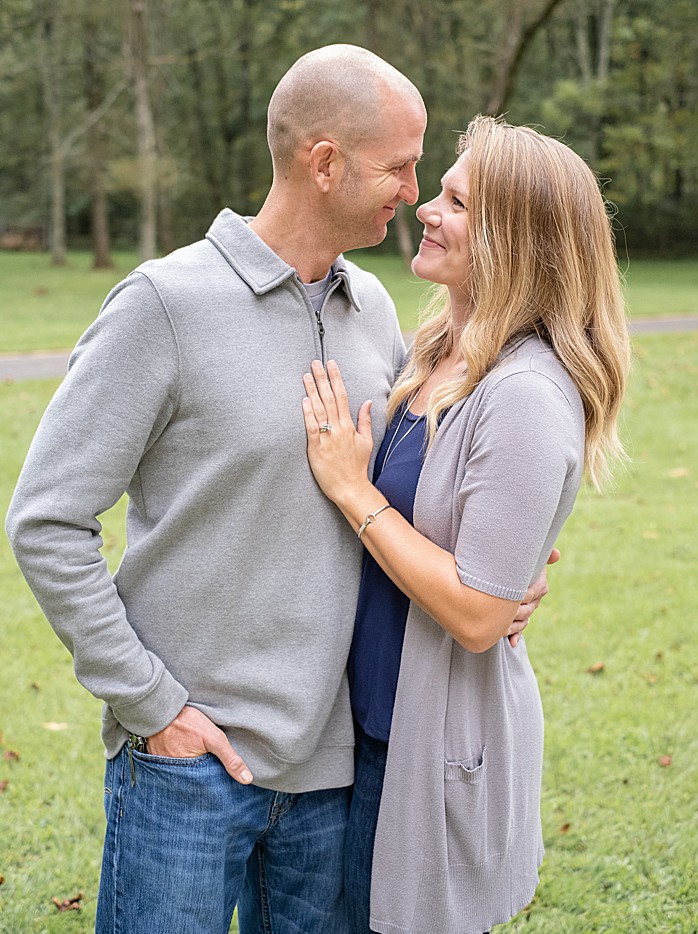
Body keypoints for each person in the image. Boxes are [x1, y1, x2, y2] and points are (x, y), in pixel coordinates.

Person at [4, 45, 545, 932]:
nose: (413, 190)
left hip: (335, 771)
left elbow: (417, 484)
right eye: (399, 166)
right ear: (323, 161)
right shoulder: (162, 306)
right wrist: (152, 706)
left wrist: (506, 569)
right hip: (189, 764)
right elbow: (47, 519)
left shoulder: (372, 308)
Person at [299, 115, 630, 933]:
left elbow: (480, 614)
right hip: (363, 731)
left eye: (455, 200)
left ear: (515, 239)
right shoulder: (440, 349)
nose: (425, 208)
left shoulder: (523, 392)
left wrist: (353, 491)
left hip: (426, 745)